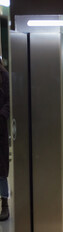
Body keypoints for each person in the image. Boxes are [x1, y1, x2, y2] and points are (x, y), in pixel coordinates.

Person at [0, 59, 9, 221]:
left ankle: (4, 204)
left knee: (1, 170)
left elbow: (9, 100)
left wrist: (1, 115)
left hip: (0, 127)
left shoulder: (4, 76)